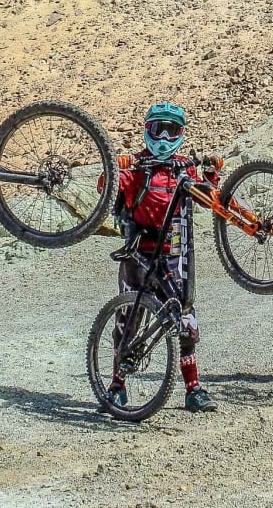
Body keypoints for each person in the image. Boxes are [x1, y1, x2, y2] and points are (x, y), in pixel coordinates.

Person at [107, 102, 219, 412]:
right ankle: (117, 385)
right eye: (159, 129)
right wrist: (115, 166)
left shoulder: (185, 168)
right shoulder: (136, 168)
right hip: (138, 256)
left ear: (182, 134)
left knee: (185, 318)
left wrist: (211, 175)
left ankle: (193, 388)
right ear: (147, 130)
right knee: (128, 320)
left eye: (172, 131)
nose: (165, 138)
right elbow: (107, 187)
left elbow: (208, 199)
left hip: (174, 255)